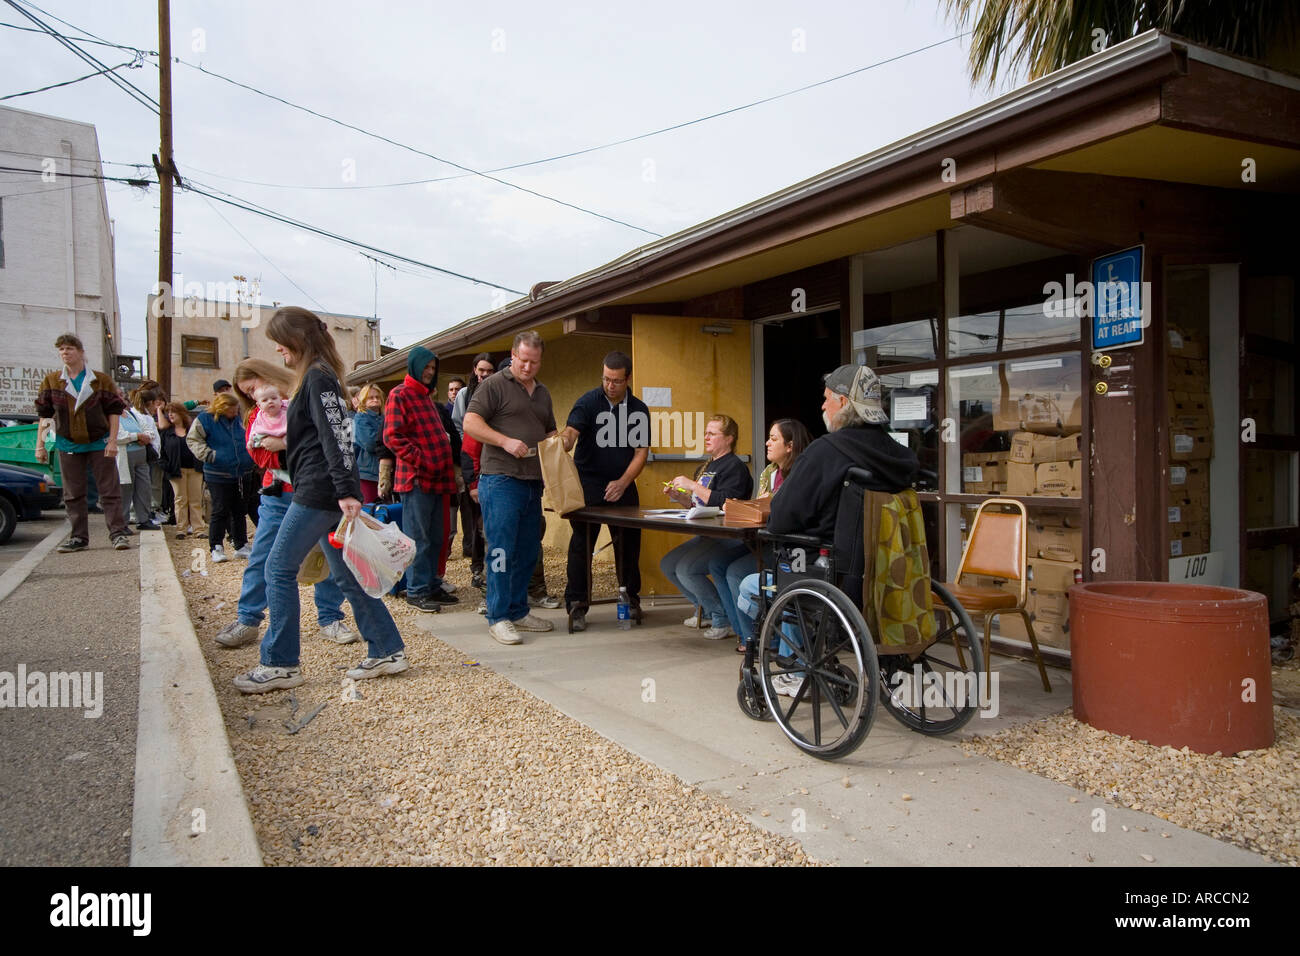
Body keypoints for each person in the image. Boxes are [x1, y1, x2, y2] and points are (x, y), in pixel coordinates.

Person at [233, 306, 407, 692]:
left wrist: (346, 491)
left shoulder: (317, 378)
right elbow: (334, 435)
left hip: (317, 490)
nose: (278, 350)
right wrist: (344, 490)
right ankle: (387, 650)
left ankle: (280, 663)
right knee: (346, 574)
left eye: (280, 342)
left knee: (277, 568)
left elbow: (337, 438)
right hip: (324, 489)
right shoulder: (320, 376)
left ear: (296, 341)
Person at [739, 364, 919, 695]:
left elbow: (780, 519)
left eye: (826, 399)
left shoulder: (826, 452)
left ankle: (799, 671)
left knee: (751, 586)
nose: (822, 406)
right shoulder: (899, 456)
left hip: (833, 575)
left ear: (842, 403)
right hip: (887, 574)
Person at [213, 356, 356, 651]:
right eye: (248, 393)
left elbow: (331, 441)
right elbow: (261, 456)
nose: (254, 397)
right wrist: (290, 449)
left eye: (254, 387)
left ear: (269, 377)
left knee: (330, 556)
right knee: (264, 556)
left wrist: (287, 447)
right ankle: (248, 619)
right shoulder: (257, 414)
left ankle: (330, 617)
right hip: (279, 493)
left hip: (316, 491)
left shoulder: (302, 397)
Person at [464, 331, 557, 645]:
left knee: (528, 549)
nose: (528, 367)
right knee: (501, 550)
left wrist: (559, 442)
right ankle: (498, 616)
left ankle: (518, 610)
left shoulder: (543, 392)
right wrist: (504, 441)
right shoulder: (493, 385)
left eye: (534, 362)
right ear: (513, 356)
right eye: (523, 360)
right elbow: (471, 422)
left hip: (533, 481)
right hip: (501, 480)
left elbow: (549, 430)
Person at [560, 351, 650, 632]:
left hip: (623, 485)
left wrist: (623, 482)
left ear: (628, 379)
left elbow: (640, 452)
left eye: (616, 380)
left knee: (628, 544)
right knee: (581, 545)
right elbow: (571, 433)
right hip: (588, 484)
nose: (610, 385)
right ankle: (577, 604)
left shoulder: (638, 409)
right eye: (606, 379)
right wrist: (562, 441)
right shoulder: (588, 401)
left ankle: (630, 599)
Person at [715, 418, 811, 651]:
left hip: (790, 548)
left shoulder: (801, 474)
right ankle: (746, 634)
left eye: (773, 438)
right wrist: (739, 507)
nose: (767, 443)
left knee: (736, 573)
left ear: (790, 446)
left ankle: (761, 640)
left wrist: (748, 507)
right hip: (766, 540)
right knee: (717, 563)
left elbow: (776, 511)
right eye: (768, 437)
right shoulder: (769, 472)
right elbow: (760, 506)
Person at [659, 414, 753, 640]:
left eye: (712, 433)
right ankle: (706, 609)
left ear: (729, 438)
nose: (706, 437)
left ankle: (721, 617)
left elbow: (727, 502)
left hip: (728, 536)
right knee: (669, 564)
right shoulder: (705, 466)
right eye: (706, 433)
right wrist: (679, 497)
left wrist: (692, 485)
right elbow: (698, 505)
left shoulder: (736, 467)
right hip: (707, 534)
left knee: (686, 569)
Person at [34, 333, 130, 552]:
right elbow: (46, 415)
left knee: (109, 490)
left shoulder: (101, 380)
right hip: (68, 443)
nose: (65, 353)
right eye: (61, 350)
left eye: (69, 348)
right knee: (72, 492)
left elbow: (114, 412)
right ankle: (78, 537)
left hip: (99, 441)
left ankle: (117, 533)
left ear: (80, 352)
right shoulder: (52, 381)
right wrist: (41, 445)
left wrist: (113, 441)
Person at [383, 346, 459, 612]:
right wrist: (422, 459)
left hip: (439, 478)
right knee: (419, 538)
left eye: (432, 368)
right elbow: (392, 436)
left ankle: (432, 585)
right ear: (414, 366)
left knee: (437, 537)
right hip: (416, 479)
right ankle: (416, 590)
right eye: (426, 367)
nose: (429, 372)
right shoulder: (399, 394)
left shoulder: (426, 397)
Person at [188, 391, 254, 563]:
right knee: (219, 510)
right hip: (217, 472)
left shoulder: (241, 418)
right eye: (232, 410)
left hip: (243, 471)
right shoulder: (205, 419)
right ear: (222, 408)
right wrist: (210, 455)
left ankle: (241, 545)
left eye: (236, 409)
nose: (235, 412)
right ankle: (216, 546)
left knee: (240, 510)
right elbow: (193, 440)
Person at [453, 353, 495, 576]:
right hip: (471, 457)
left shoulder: (497, 392)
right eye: (482, 370)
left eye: (489, 370)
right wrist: (469, 453)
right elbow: (460, 424)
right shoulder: (465, 394)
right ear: (474, 370)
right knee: (474, 517)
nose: (485, 374)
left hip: (490, 461)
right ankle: (477, 565)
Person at [117, 387, 162, 531]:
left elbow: (147, 429)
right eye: (119, 396)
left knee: (144, 487)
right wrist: (137, 436)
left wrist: (145, 436)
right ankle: (121, 523)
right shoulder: (111, 417)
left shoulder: (131, 415)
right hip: (125, 456)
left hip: (141, 455)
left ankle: (143, 519)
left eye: (123, 396)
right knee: (125, 489)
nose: (122, 399)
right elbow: (118, 436)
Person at [159, 402, 206, 539]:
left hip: (195, 469)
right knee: (180, 499)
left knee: (195, 499)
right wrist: (167, 466)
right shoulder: (167, 433)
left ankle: (199, 529)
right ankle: (181, 529)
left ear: (182, 413)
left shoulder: (193, 430)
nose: (170, 415)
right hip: (176, 471)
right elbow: (161, 453)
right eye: (169, 412)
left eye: (173, 412)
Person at [352, 382, 385, 503]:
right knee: (369, 509)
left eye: (377, 397)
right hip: (368, 473)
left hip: (384, 472)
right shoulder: (361, 418)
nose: (375, 400)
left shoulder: (384, 418)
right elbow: (370, 443)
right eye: (371, 398)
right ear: (364, 400)